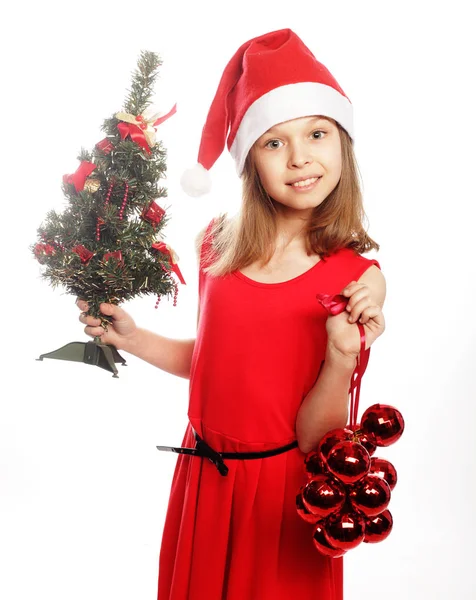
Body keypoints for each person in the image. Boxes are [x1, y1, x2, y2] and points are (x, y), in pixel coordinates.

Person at [77, 28, 386, 600]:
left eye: (317, 134)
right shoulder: (215, 244)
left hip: (281, 492)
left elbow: (315, 436)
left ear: (341, 143)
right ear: (250, 161)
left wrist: (342, 358)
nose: (300, 158)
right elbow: (218, 362)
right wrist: (136, 337)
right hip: (203, 478)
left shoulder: (355, 278)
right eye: (274, 142)